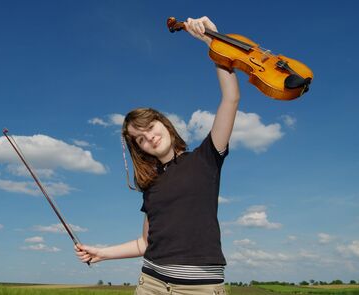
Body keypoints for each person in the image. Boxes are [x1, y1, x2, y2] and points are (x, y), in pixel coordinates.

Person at [74, 16, 239, 295]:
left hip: (199, 287)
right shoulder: (151, 185)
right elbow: (144, 244)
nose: (148, 137)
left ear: (164, 123)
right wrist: (102, 253)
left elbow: (230, 98)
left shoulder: (206, 158)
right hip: (150, 283)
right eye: (139, 138)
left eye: (150, 127)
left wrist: (214, 39)